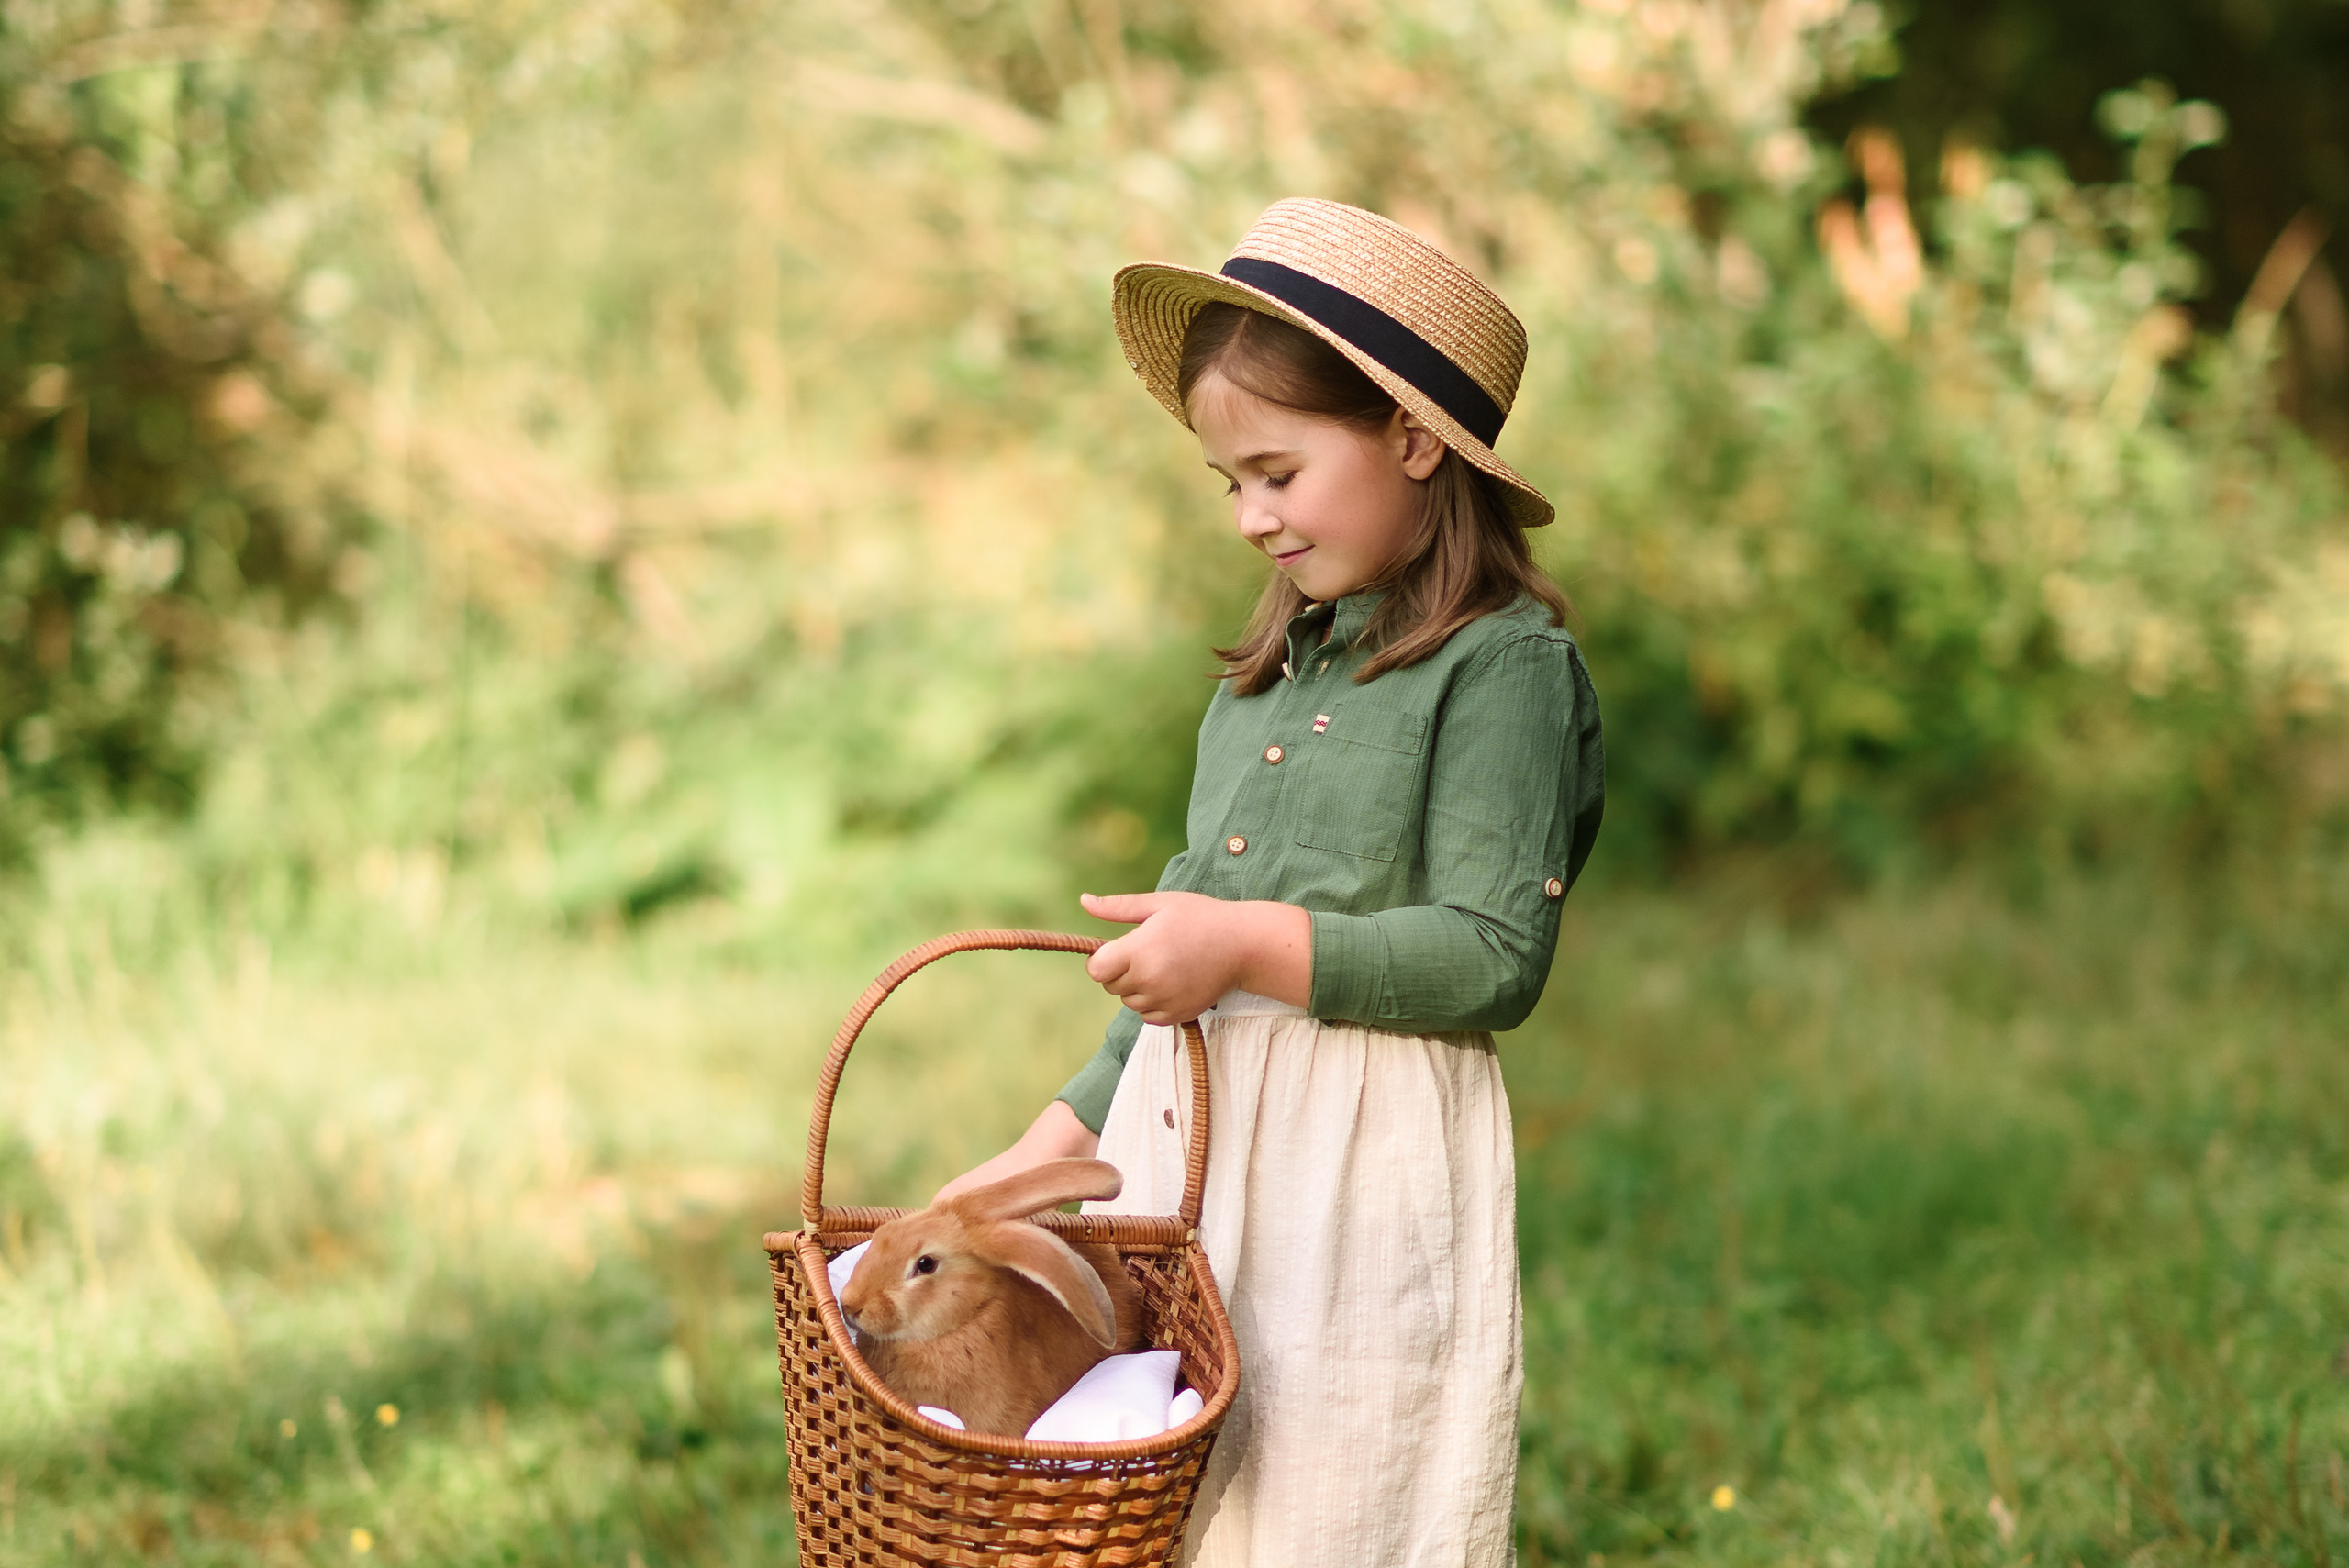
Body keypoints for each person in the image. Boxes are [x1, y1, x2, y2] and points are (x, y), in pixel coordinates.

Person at [937, 198, 1604, 1568]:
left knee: (1339, 1492)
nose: (1249, 515)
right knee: (1182, 1502)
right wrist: (1047, 1152)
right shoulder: (1258, 687)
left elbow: (1492, 955)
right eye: (1227, 482)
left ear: (1414, 441)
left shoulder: (1503, 671)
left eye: (1279, 471)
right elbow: (1165, 980)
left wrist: (1240, 944)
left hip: (1357, 1169)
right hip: (1191, 1147)